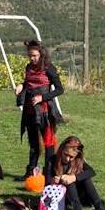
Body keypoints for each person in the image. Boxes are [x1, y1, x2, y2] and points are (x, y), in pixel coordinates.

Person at [15, 40, 64, 180]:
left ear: (41, 54)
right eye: (30, 55)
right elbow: (27, 83)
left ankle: (49, 173)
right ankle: (30, 173)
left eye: (35, 55)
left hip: (45, 111)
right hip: (30, 110)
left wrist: (43, 97)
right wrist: (20, 86)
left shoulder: (49, 68)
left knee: (49, 143)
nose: (32, 58)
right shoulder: (28, 67)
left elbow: (60, 89)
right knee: (33, 143)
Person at [44, 136, 105, 210]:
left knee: (85, 178)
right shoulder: (52, 160)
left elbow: (91, 171)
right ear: (61, 149)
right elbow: (46, 184)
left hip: (81, 196)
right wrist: (53, 181)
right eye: (65, 154)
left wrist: (74, 177)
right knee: (69, 182)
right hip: (62, 197)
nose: (67, 159)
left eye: (71, 157)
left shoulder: (79, 161)